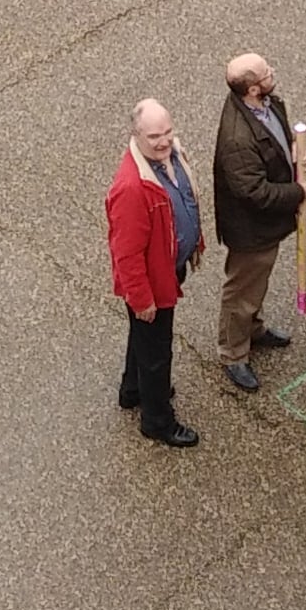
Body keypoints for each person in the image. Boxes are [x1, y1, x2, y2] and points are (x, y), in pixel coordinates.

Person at [107, 97, 204, 446]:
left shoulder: (166, 157)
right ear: (135, 135)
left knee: (144, 342)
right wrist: (141, 299)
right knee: (157, 352)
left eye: (167, 132)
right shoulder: (131, 189)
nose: (163, 141)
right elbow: (127, 254)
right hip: (151, 283)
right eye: (154, 137)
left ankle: (133, 390)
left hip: (166, 269)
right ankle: (157, 420)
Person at [210, 54, 306, 393]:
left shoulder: (267, 102)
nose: (273, 73)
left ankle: (253, 329)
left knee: (256, 285)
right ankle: (233, 352)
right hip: (252, 231)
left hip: (267, 224)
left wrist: (294, 153)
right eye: (267, 73)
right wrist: (297, 191)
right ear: (252, 88)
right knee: (242, 291)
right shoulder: (237, 140)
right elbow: (254, 191)